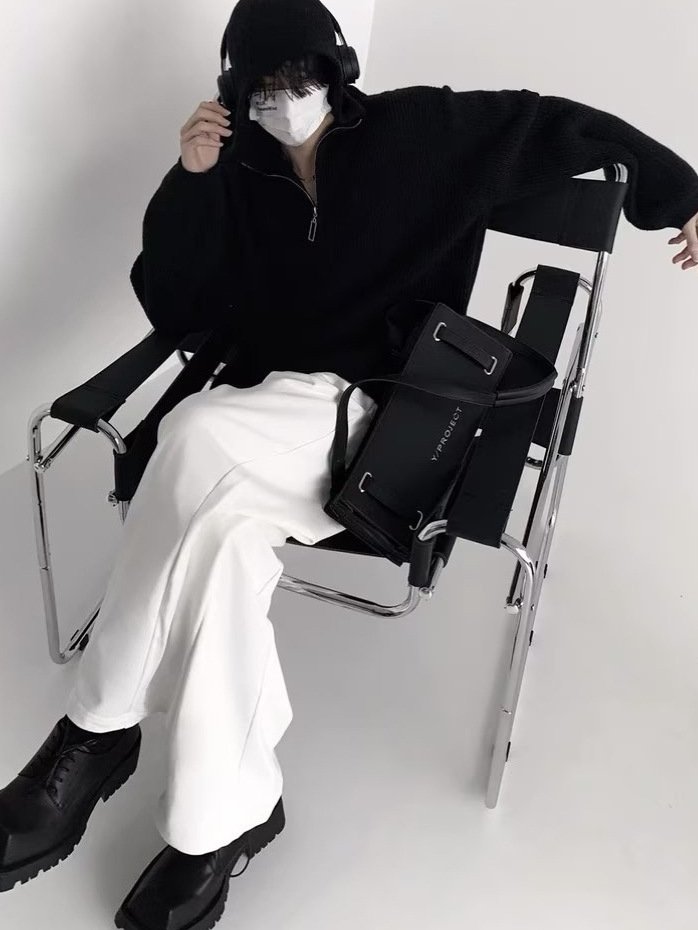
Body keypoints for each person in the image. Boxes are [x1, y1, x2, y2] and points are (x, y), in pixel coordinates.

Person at [2, 0, 697, 927]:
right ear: (233, 92)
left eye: (300, 79)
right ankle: (224, 818)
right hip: (261, 419)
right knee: (225, 537)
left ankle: (91, 735)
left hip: (386, 412)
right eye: (261, 88)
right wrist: (191, 183)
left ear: (336, 73)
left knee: (191, 437)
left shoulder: (425, 132)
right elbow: (176, 306)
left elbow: (555, 123)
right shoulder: (237, 167)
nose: (283, 101)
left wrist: (684, 195)